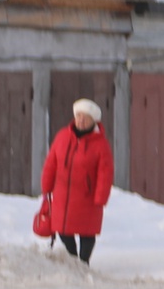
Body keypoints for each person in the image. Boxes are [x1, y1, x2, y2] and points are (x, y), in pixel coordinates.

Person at [41, 97, 114, 264]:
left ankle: (84, 262)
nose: (81, 120)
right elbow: (51, 163)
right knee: (63, 230)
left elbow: (106, 172)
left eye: (85, 117)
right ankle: (73, 259)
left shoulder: (101, 144)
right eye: (78, 115)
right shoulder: (62, 137)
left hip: (87, 197)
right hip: (62, 195)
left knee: (87, 232)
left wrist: (101, 196)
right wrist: (46, 186)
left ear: (93, 121)